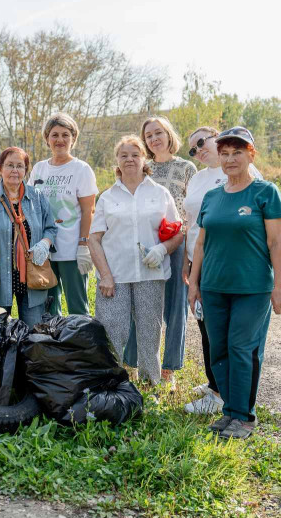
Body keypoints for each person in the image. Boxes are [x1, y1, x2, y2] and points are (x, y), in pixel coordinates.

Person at [188, 126, 281, 439]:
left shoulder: (265, 193)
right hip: (214, 287)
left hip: (252, 288)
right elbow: (201, 243)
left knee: (242, 347)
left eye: (237, 153)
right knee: (219, 348)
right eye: (226, 153)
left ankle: (244, 417)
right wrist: (194, 283)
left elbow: (277, 242)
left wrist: (280, 286)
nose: (230, 159)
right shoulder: (212, 197)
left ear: (251, 155)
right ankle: (229, 411)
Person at [88, 136, 183, 385]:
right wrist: (105, 275)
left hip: (151, 275)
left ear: (144, 159)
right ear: (117, 161)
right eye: (124, 155)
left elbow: (177, 233)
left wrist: (162, 250)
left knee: (150, 333)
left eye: (134, 154)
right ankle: (111, 384)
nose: (129, 159)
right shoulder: (108, 197)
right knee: (112, 332)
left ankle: (151, 384)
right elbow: (94, 239)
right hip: (114, 278)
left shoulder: (160, 193)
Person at [182, 126, 263, 414]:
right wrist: (187, 263)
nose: (199, 149)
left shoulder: (246, 177)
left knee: (234, 337)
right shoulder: (197, 180)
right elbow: (191, 224)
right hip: (199, 260)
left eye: (202, 142)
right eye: (192, 148)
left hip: (232, 265)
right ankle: (214, 382)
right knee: (207, 329)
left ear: (219, 138)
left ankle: (223, 396)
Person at [123, 116, 197, 388]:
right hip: (144, 243)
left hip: (177, 243)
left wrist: (189, 252)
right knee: (138, 305)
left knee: (176, 307)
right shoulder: (144, 167)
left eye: (158, 133)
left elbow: (193, 211)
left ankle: (169, 370)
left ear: (168, 135)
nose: (154, 139)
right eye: (149, 136)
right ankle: (132, 362)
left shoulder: (186, 168)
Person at [27, 112, 98, 316]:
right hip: (44, 250)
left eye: (65, 135)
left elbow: (88, 210)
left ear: (73, 138)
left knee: (77, 307)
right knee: (49, 308)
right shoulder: (39, 169)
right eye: (55, 135)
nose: (60, 140)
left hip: (71, 250)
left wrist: (84, 244)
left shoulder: (81, 169)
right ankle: (54, 346)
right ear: (47, 138)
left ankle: (82, 346)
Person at [0, 147, 58, 327]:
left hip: (32, 277)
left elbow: (51, 228)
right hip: (0, 276)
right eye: (9, 165)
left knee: (33, 333)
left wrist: (44, 244)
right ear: (0, 168)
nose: (15, 170)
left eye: (20, 166)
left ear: (25, 170)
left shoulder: (37, 197)